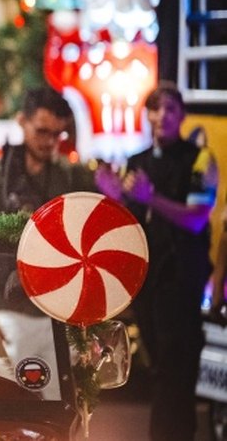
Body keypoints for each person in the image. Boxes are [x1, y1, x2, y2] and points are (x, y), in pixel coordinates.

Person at [96, 82, 218, 441]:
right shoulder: (137, 161)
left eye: (170, 109)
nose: (162, 116)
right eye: (155, 108)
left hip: (181, 278)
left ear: (181, 116)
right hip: (146, 279)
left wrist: (153, 197)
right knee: (159, 369)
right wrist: (114, 195)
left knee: (175, 370)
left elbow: (196, 218)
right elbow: (129, 221)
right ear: (147, 114)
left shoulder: (198, 159)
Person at [0, 86, 96, 215]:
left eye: (56, 134)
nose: (50, 142)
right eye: (42, 131)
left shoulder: (72, 176)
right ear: (22, 121)